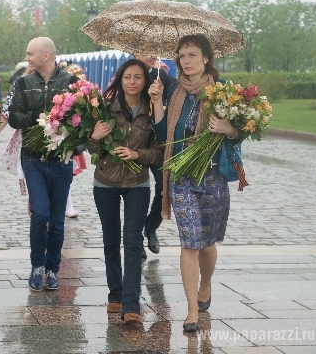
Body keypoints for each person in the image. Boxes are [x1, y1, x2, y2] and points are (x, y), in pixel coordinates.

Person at [148, 34, 242, 332]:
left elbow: (243, 131)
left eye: (191, 55)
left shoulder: (223, 91)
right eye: (182, 56)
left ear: (206, 58)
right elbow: (164, 132)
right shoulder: (175, 90)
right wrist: (156, 102)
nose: (186, 61)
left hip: (212, 176)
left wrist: (228, 128)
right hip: (180, 177)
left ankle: (207, 285)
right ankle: (191, 310)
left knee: (207, 244)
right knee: (190, 242)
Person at [88, 58, 163, 323]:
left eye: (138, 77)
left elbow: (158, 152)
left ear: (146, 81)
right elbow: (93, 152)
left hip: (137, 184)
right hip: (105, 182)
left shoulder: (153, 111)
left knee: (132, 240)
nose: (132, 82)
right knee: (111, 240)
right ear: (120, 80)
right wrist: (94, 137)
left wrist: (136, 153)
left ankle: (131, 304)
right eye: (127, 77)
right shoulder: (105, 108)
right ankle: (115, 295)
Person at [7, 37, 79, 291]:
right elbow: (14, 116)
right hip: (33, 157)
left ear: (46, 55)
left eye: (30, 54)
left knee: (57, 218)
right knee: (40, 212)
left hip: (61, 159)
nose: (27, 58)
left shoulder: (71, 83)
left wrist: (73, 144)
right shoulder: (23, 83)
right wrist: (38, 118)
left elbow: (83, 120)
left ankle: (52, 269)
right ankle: (37, 264)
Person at [133, 54, 178, 259]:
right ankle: (135, 240)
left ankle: (150, 227)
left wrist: (168, 107)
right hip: (134, 143)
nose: (152, 55)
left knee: (164, 187)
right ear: (134, 51)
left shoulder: (162, 77)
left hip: (159, 143)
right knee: (136, 192)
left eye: (154, 50)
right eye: (145, 50)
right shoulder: (129, 74)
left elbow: (179, 97)